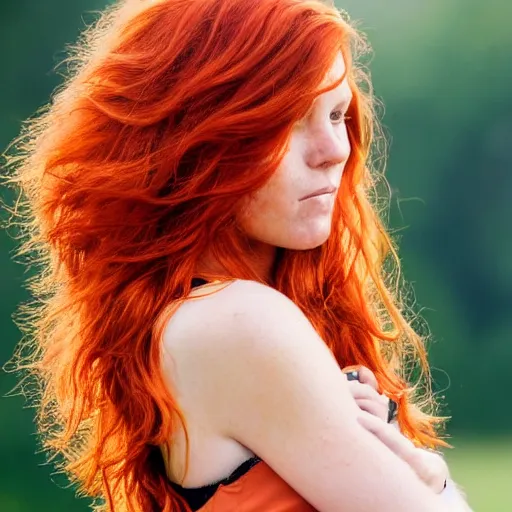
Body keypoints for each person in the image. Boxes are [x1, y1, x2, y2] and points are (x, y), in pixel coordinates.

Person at [3, 0, 473, 510]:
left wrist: (420, 474)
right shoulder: (237, 321)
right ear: (198, 136)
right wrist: (433, 483)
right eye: (289, 120)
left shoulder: (192, 318)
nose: (334, 149)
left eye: (337, 114)